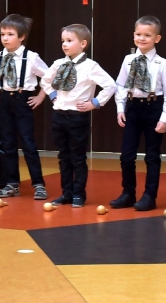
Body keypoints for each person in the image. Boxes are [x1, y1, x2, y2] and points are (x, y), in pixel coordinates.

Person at [38, 24, 116, 207]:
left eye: (69, 40)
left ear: (83, 44)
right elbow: (45, 81)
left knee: (78, 158)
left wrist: (94, 103)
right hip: (59, 115)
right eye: (63, 41)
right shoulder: (59, 64)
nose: (64, 44)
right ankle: (66, 193)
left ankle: (79, 194)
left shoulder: (90, 66)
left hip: (77, 117)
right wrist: (52, 95)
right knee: (63, 157)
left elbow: (110, 85)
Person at [111, 16, 166, 211]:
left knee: (152, 156)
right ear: (133, 35)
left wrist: (165, 118)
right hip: (132, 108)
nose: (142, 38)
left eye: (147, 35)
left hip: (153, 108)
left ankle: (149, 196)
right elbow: (120, 86)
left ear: (157, 38)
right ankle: (128, 193)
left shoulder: (162, 63)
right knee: (126, 155)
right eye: (139, 34)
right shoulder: (128, 60)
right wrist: (120, 108)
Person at [0, 14, 49, 201]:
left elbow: (49, 77)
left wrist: (40, 96)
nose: (5, 38)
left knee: (28, 142)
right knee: (8, 143)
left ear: (21, 37)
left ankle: (38, 184)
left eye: (10, 34)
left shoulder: (31, 57)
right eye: (2, 34)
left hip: (22, 99)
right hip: (5, 100)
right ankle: (12, 183)